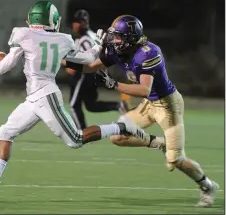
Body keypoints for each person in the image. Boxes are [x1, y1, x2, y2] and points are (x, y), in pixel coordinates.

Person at [0, 2, 147, 196]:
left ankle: (123, 127)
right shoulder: (63, 39)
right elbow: (86, 59)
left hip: (45, 95)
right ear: (52, 21)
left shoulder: (22, 34)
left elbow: (2, 67)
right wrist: (99, 45)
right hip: (34, 97)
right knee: (6, 132)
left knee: (75, 139)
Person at [89, 15, 219, 207]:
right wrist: (70, 57)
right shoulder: (120, 49)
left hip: (168, 106)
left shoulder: (148, 53)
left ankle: (207, 185)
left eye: (118, 37)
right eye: (114, 36)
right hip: (148, 105)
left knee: (175, 160)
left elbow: (144, 89)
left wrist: (112, 84)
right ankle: (159, 143)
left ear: (130, 38)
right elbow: (89, 66)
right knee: (117, 136)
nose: (114, 41)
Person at [66, 9, 129, 130]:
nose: (74, 25)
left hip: (85, 75)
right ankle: (118, 105)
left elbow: (88, 59)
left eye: (76, 22)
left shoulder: (84, 39)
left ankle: (83, 133)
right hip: (94, 74)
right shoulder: (91, 35)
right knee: (91, 105)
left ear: (82, 23)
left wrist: (71, 66)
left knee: (74, 105)